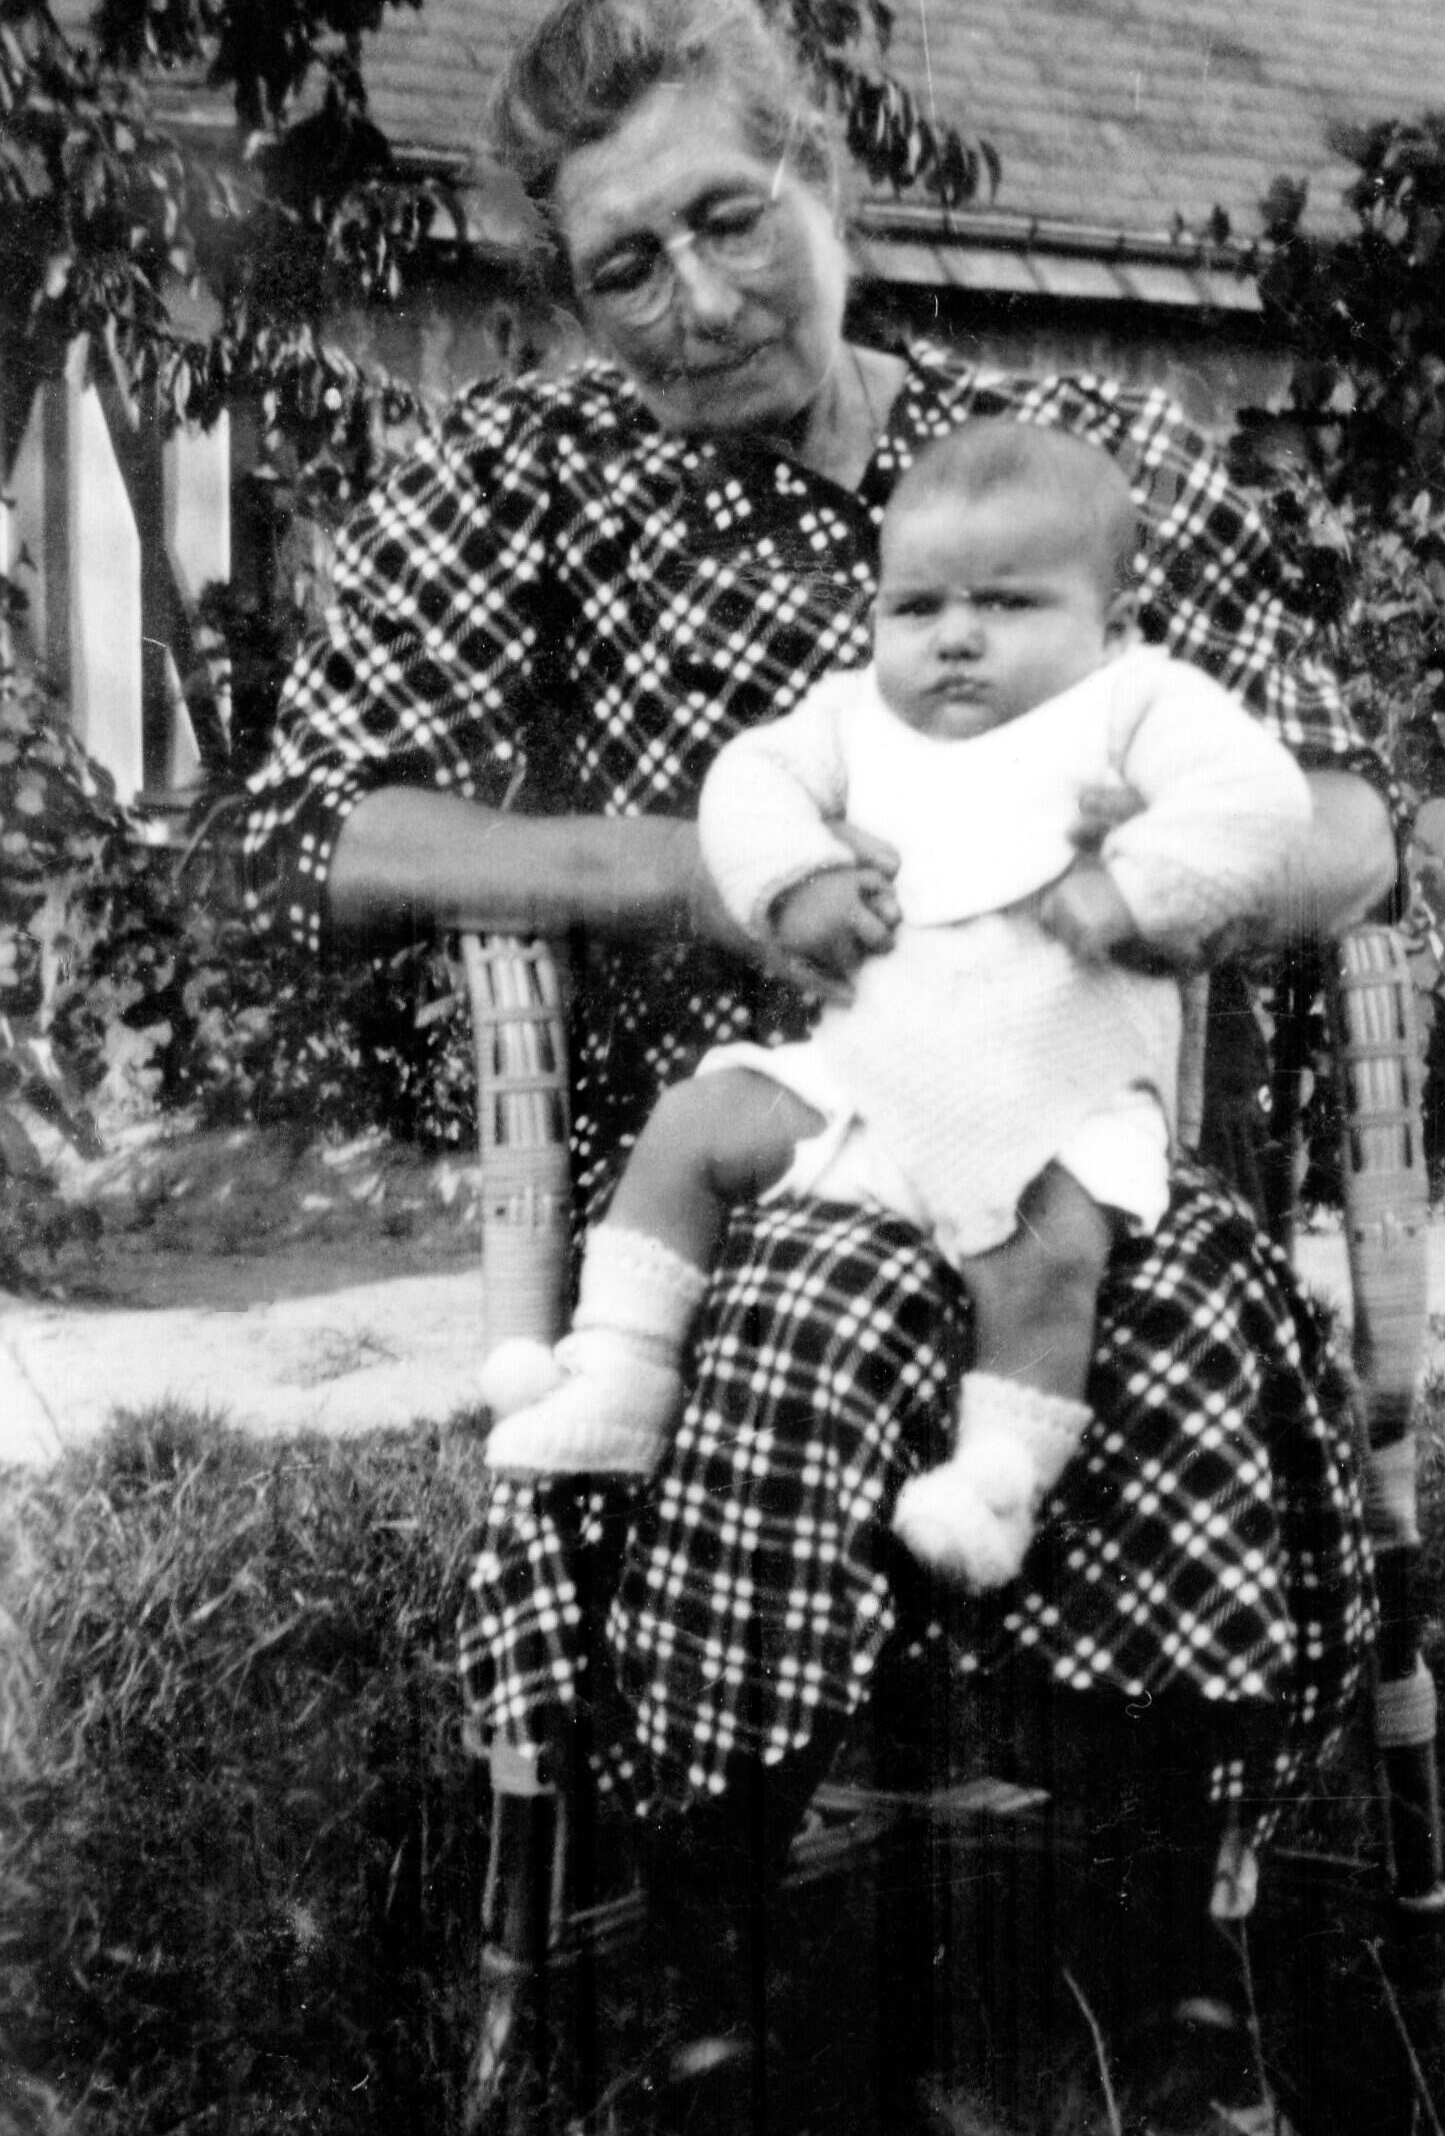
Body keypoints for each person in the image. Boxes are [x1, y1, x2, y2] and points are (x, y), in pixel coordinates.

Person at [239, 0, 1396, 1944]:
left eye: (729, 220)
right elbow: (308, 833)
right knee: (797, 1309)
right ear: (566, 292)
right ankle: (715, 1940)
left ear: (821, 176)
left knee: (1173, 1280)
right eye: (623, 269)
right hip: (755, 1153)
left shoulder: (1078, 461)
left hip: (1068, 1126)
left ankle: (1169, 1941)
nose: (695, 303)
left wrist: (1140, 885)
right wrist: (690, 871)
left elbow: (1352, 819)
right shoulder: (523, 478)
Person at [481, 418, 1315, 1603]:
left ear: (1112, 622)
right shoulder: (851, 716)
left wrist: (1136, 885)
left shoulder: (1136, 703)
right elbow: (746, 782)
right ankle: (619, 1368)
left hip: (1062, 1100)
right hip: (869, 1089)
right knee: (695, 1123)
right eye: (915, 606)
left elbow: (1259, 798)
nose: (955, 636)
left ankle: (998, 1479)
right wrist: (797, 879)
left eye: (1009, 603)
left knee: (1050, 1250)